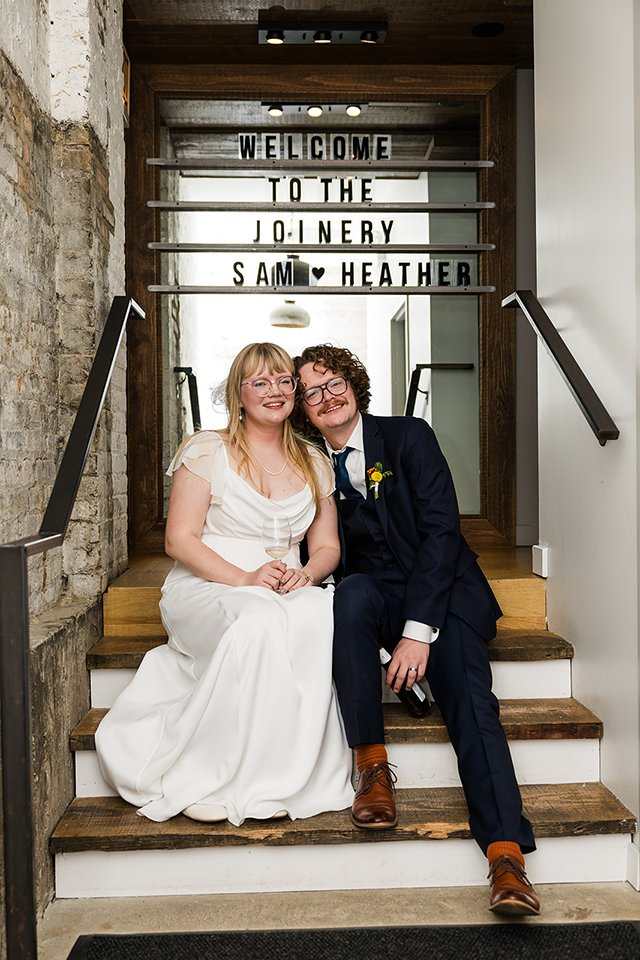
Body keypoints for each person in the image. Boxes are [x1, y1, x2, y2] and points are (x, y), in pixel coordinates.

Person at [293, 344, 540, 917]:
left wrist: (415, 632)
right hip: (372, 595)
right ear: (304, 409)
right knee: (349, 596)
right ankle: (372, 768)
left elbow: (441, 533)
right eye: (313, 392)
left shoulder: (408, 437)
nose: (327, 398)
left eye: (335, 384)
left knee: (473, 706)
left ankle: (506, 859)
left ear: (355, 386)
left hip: (443, 595)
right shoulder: (305, 464)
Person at [96, 342, 353, 825]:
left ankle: (280, 772)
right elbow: (179, 540)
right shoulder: (207, 449)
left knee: (318, 613)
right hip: (209, 584)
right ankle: (209, 770)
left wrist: (307, 575)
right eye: (260, 382)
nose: (274, 391)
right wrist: (246, 579)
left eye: (283, 381)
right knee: (255, 622)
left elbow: (327, 548)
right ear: (239, 394)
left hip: (285, 585)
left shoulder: (315, 460)